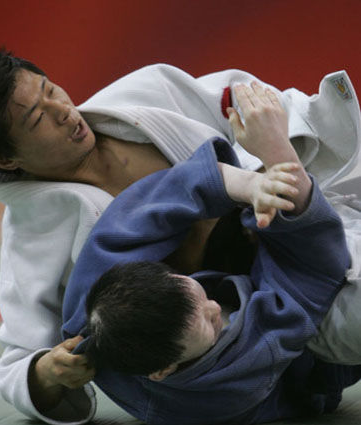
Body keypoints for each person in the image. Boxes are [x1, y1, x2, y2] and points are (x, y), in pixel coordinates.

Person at [0, 46, 361, 424]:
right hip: (255, 327)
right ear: (6, 159)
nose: (64, 111)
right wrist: (47, 373)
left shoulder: (149, 92)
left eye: (50, 90)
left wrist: (265, 156)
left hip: (304, 240)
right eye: (37, 119)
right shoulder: (34, 237)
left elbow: (270, 112)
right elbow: (18, 363)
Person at [60, 83, 361, 425]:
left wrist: (249, 186)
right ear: (163, 371)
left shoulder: (94, 303)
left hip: (268, 259)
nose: (214, 307)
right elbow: (313, 273)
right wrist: (278, 154)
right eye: (207, 322)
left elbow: (148, 207)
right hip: (314, 347)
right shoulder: (230, 382)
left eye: (199, 295)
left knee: (287, 129)